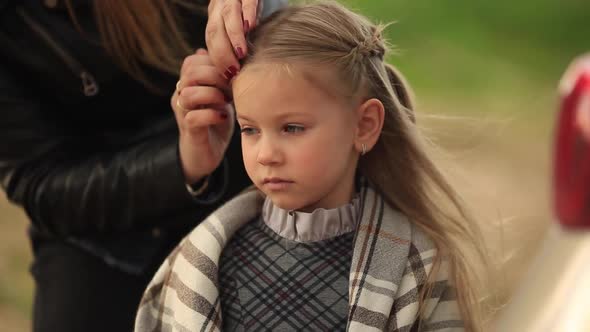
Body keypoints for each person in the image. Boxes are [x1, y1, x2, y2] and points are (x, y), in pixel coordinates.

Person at [135, 2, 488, 331]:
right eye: (250, 129)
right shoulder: (202, 265)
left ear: (364, 125)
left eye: (292, 128)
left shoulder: (420, 267)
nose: (266, 154)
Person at [0, 0, 285, 331]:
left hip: (237, 174)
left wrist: (249, 13)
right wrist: (183, 162)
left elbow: (297, 43)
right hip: (101, 231)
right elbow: (43, 184)